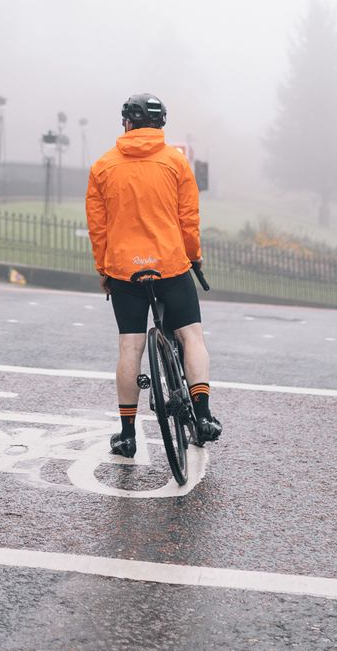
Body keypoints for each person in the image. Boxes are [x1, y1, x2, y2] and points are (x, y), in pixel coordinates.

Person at [85, 93, 221, 458]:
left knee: (130, 346)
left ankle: (127, 434)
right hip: (171, 265)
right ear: (161, 125)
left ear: (126, 123)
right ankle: (204, 414)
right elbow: (188, 219)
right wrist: (194, 257)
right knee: (191, 336)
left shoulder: (103, 166)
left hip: (124, 270)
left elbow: (98, 228)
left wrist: (104, 269)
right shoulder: (176, 163)